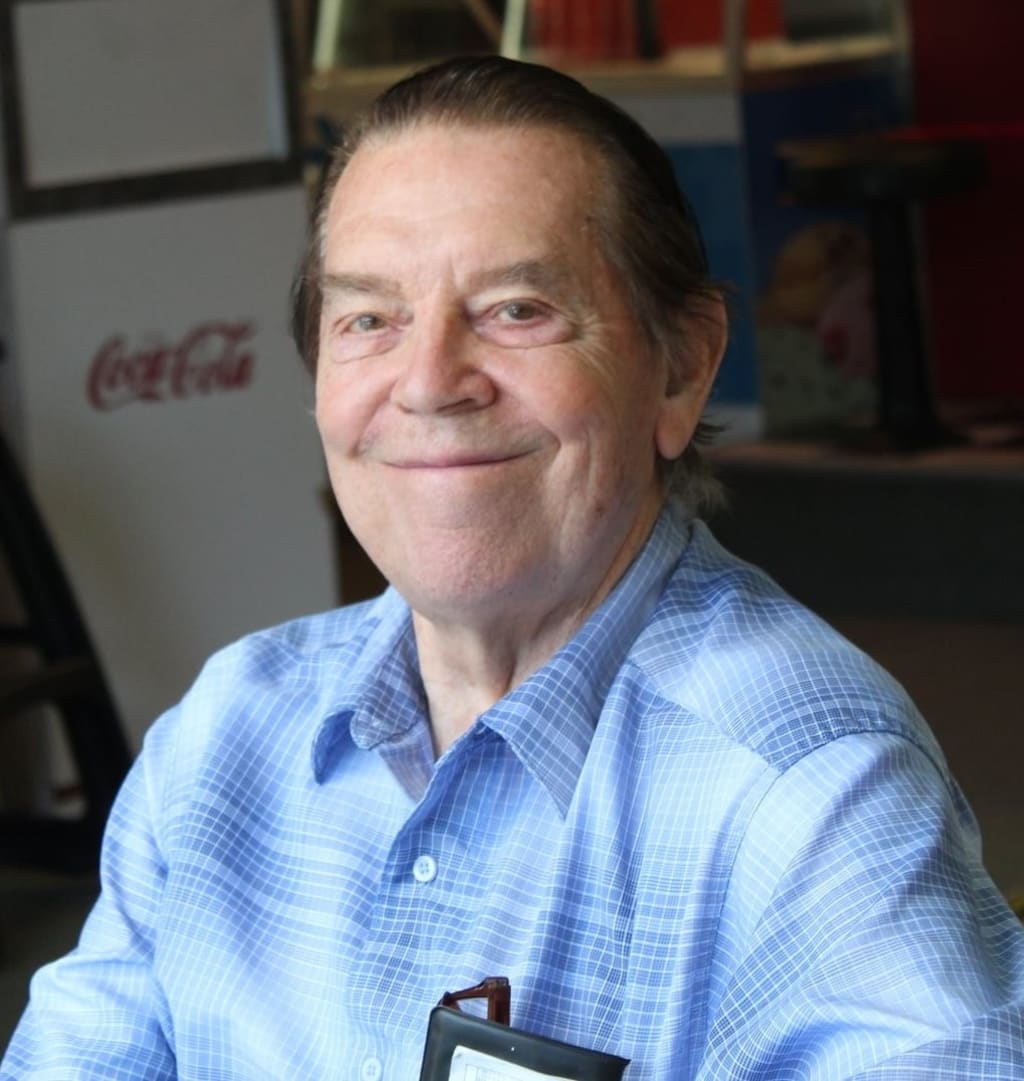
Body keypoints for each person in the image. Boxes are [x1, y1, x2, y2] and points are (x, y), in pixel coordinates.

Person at [3, 55, 1023, 1080]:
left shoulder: (808, 787)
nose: (429, 382)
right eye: (370, 319)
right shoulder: (224, 737)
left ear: (680, 368)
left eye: (517, 309)